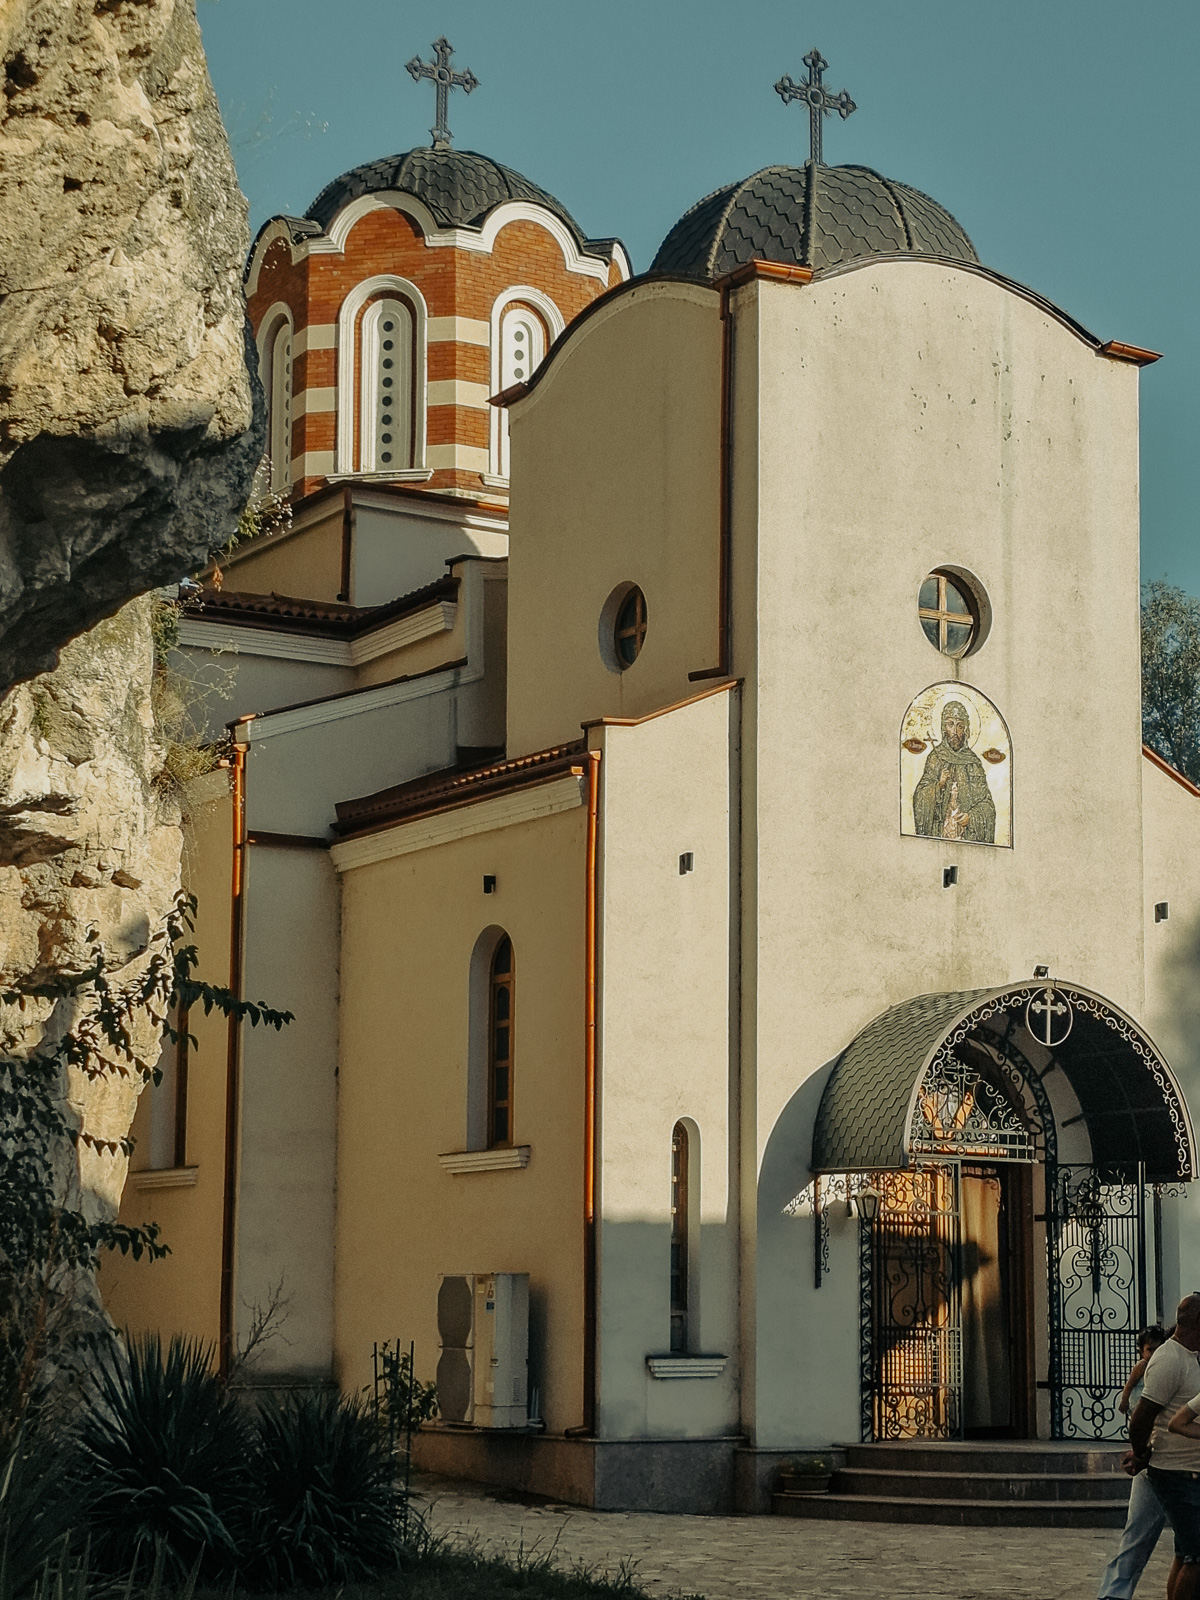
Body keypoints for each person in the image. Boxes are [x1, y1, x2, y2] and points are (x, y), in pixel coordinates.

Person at [1127, 1296, 1200, 1600]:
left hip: (1187, 1471)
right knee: (1198, 1555)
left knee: (1186, 1552)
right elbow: (1141, 1417)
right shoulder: (1170, 1359)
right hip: (1176, 1472)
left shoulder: (1190, 1356)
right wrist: (1142, 1453)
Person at [1097, 1325, 1169, 1599]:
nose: (1153, 1353)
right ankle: (1113, 1593)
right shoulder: (1153, 1367)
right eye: (1149, 1349)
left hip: (1164, 1457)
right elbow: (1141, 1418)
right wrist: (1141, 1453)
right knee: (1138, 1533)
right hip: (1154, 1459)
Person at [911, 700, 997, 842]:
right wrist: (939, 785)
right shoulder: (935, 758)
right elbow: (920, 797)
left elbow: (987, 805)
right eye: (951, 724)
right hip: (941, 832)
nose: (955, 732)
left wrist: (971, 817)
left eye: (960, 726)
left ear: (965, 730)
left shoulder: (973, 762)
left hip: (966, 835)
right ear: (944, 727)